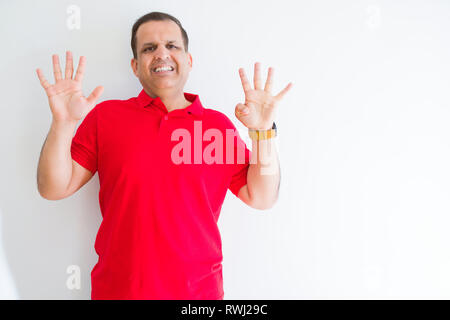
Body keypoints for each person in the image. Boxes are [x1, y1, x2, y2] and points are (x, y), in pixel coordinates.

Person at [36, 12, 292, 300]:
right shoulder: (106, 117)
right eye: (149, 48)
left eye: (172, 46)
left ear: (189, 60)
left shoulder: (216, 127)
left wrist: (264, 132)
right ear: (135, 66)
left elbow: (261, 197)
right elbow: (53, 187)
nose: (161, 54)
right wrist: (63, 123)